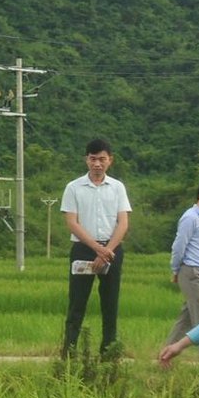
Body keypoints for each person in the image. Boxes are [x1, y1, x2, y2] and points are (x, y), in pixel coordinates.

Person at [61, 138, 131, 357]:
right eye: (93, 159)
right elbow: (72, 222)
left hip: (112, 250)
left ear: (110, 160)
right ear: (86, 160)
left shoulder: (118, 187)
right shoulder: (73, 187)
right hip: (83, 249)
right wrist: (97, 249)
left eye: (102, 159)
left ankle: (109, 353)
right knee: (77, 303)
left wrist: (107, 250)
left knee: (110, 304)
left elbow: (123, 222)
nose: (97, 164)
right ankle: (69, 352)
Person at [166, 183, 199, 359]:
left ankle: (166, 354)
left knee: (186, 318)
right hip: (192, 271)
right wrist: (175, 269)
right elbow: (179, 246)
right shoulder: (190, 217)